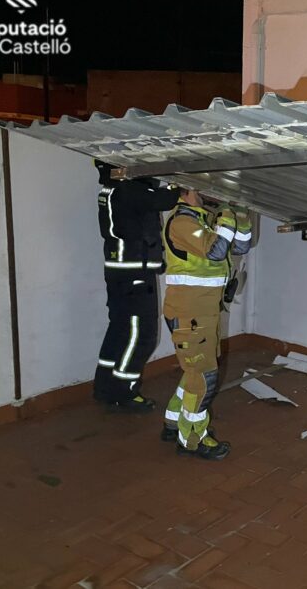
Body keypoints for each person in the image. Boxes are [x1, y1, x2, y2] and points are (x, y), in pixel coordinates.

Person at [160, 188, 252, 460]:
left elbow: (240, 246)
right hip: (189, 313)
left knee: (195, 371)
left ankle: (173, 421)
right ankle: (191, 439)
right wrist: (225, 215)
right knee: (204, 377)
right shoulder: (182, 222)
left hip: (204, 312)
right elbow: (215, 251)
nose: (209, 193)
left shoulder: (202, 219)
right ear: (187, 191)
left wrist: (242, 214)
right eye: (203, 188)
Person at [94, 161, 179, 411]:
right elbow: (163, 200)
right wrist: (180, 183)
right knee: (141, 336)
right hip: (135, 276)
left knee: (120, 332)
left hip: (122, 274)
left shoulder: (112, 189)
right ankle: (125, 393)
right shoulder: (129, 190)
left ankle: (105, 387)